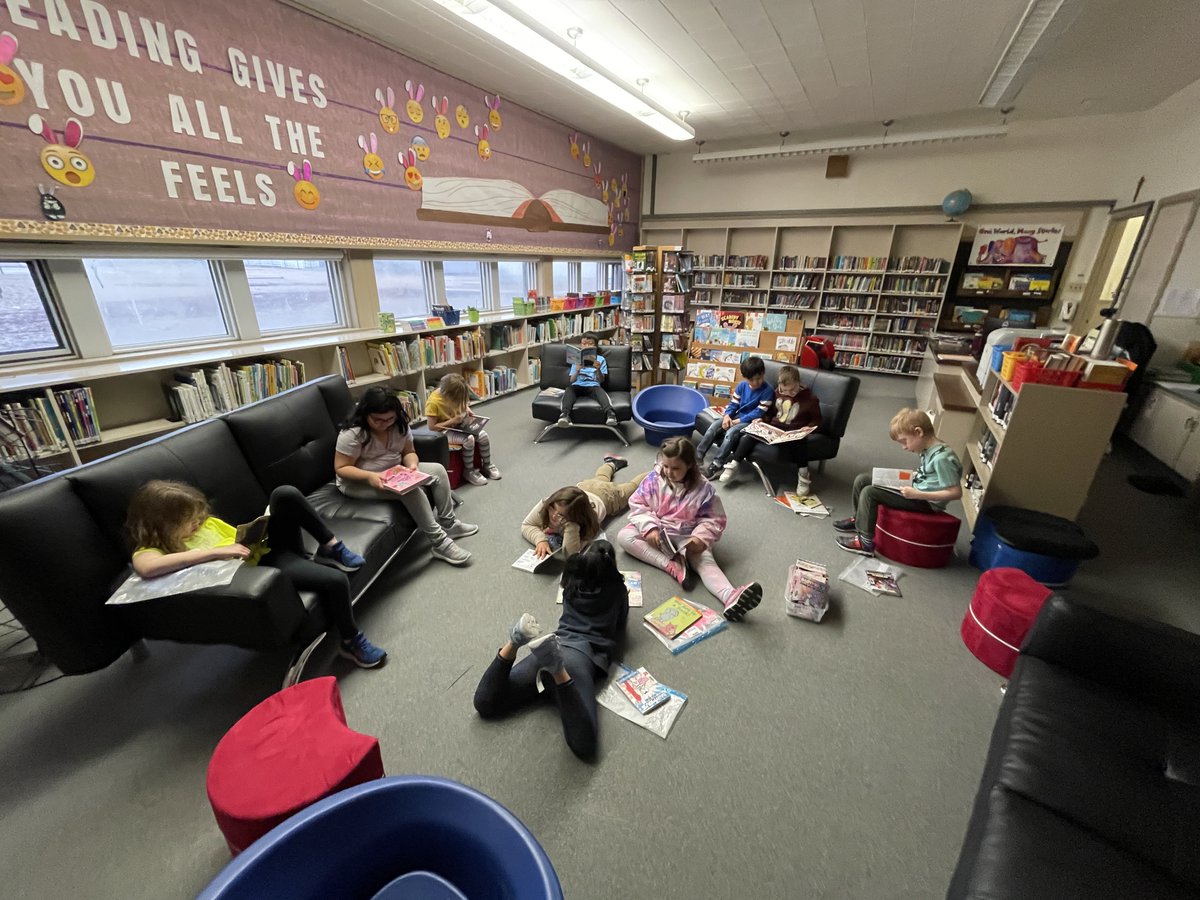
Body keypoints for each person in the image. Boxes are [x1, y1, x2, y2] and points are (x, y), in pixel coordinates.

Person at [126, 480, 387, 668]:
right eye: (190, 522)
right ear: (163, 526)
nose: (198, 524)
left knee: (284, 494)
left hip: (266, 550)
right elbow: (147, 568)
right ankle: (351, 641)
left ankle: (332, 546)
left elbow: (240, 542)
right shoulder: (150, 549)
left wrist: (255, 533)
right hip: (264, 570)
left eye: (197, 518)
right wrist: (214, 553)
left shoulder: (206, 524)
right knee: (335, 580)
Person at [473, 540, 628, 760]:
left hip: (553, 644)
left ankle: (516, 641)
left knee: (486, 704)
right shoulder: (618, 590)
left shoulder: (571, 582)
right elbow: (620, 624)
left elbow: (483, 704)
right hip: (579, 658)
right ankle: (557, 670)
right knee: (585, 744)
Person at [616, 436, 762, 622]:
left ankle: (729, 596)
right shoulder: (653, 479)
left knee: (704, 562)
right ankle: (672, 566)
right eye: (665, 466)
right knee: (624, 536)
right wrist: (650, 527)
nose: (668, 472)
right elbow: (638, 503)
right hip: (660, 529)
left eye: (675, 468)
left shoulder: (704, 490)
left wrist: (699, 539)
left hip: (688, 535)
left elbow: (714, 519)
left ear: (690, 465)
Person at [333, 387, 477, 566]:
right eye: (377, 420)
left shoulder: (399, 425)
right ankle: (439, 543)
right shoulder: (353, 433)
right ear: (365, 414)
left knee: (438, 470)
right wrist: (371, 477)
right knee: (410, 491)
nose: (385, 424)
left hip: (394, 471)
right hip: (359, 481)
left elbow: (409, 452)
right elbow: (341, 467)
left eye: (390, 419)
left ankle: (449, 522)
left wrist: (412, 466)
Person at [834, 408, 963, 556]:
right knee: (862, 480)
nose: (904, 447)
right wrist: (909, 476)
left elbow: (955, 492)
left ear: (918, 432)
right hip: (915, 489)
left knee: (870, 493)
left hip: (925, 502)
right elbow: (930, 476)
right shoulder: (929, 449)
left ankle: (865, 542)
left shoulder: (942, 459)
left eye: (904, 441)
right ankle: (859, 520)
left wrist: (918, 494)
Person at [521, 454, 650, 558]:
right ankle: (611, 462)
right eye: (552, 508)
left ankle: (655, 471)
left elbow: (571, 554)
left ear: (574, 517)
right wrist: (540, 540)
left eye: (560, 515)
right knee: (600, 477)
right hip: (585, 487)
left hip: (608, 496)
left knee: (633, 486)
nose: (553, 515)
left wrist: (570, 526)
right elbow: (526, 525)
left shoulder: (583, 523)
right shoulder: (546, 504)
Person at [725, 365, 822, 495]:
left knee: (801, 443)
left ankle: (804, 475)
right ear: (779, 385)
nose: (788, 393)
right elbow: (770, 413)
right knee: (750, 434)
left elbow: (817, 420)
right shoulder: (777, 393)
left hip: (793, 433)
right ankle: (734, 463)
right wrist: (762, 420)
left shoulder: (810, 399)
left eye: (792, 390)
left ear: (799, 382)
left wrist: (808, 427)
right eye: (784, 390)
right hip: (774, 429)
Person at [697, 355, 773, 480]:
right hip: (736, 416)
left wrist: (737, 421)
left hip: (750, 421)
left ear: (763, 373)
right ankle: (698, 456)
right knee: (713, 427)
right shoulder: (742, 386)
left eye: (759, 378)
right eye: (751, 380)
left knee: (731, 433)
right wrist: (727, 416)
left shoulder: (768, 391)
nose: (755, 383)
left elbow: (758, 412)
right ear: (745, 378)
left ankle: (717, 464)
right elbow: (733, 404)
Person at [424, 373, 501, 486]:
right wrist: (453, 421)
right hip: (443, 432)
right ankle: (468, 471)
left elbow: (462, 403)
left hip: (458, 425)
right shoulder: (433, 402)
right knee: (469, 439)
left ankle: (487, 465)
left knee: (483, 436)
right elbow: (432, 428)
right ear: (448, 396)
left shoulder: (454, 394)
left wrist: (467, 409)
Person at [558, 331, 618, 428]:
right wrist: (577, 370)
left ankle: (610, 414)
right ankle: (564, 415)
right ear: (580, 345)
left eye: (590, 344)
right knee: (569, 390)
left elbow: (602, 380)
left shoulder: (601, 359)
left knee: (600, 392)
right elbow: (571, 381)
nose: (586, 346)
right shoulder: (576, 359)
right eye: (584, 344)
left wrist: (598, 369)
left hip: (593, 385)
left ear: (595, 346)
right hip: (577, 385)